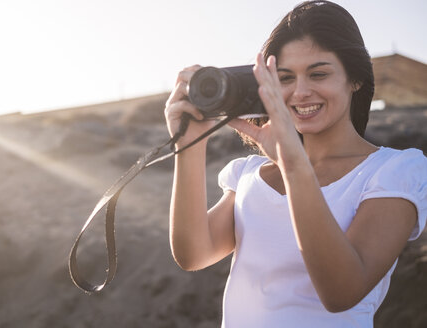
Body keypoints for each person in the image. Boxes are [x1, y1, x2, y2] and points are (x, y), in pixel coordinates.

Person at [163, 1, 427, 327]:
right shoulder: (250, 173)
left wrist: (293, 164)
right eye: (285, 78)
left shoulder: (394, 172)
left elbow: (342, 291)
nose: (300, 92)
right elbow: (192, 255)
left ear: (355, 79)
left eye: (318, 73)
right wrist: (189, 144)